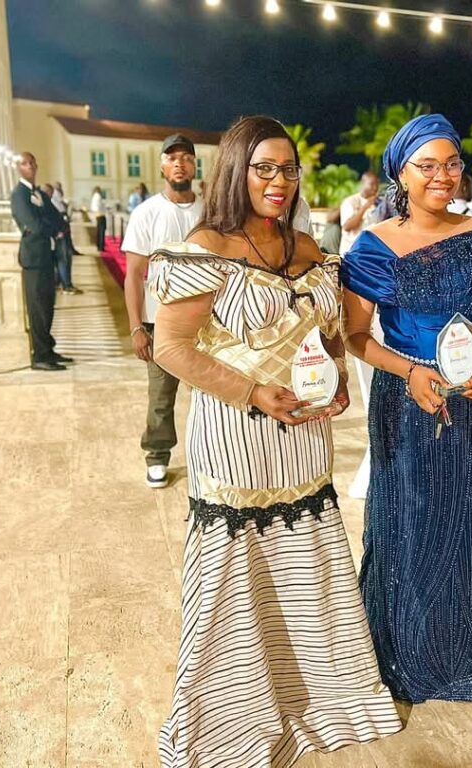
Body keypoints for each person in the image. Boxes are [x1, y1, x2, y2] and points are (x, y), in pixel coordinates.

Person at [150, 115, 401, 767]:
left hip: (304, 441)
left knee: (305, 569)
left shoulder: (308, 247)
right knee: (235, 576)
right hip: (236, 436)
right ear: (237, 171)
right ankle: (231, 713)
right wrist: (253, 392)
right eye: (264, 168)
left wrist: (337, 381)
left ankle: (319, 694)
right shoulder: (203, 247)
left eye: (288, 169)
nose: (278, 181)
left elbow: (330, 333)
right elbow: (171, 347)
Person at [341, 113, 472, 702]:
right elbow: (354, 336)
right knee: (408, 522)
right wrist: (409, 372)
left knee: (464, 521)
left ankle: (464, 645)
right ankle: (406, 645)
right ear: (400, 174)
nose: (442, 176)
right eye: (427, 165)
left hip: (470, 402)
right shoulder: (372, 246)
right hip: (405, 404)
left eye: (451, 163)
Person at [121, 134, 203, 489]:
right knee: (160, 396)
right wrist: (136, 327)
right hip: (161, 322)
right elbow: (134, 274)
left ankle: (208, 455)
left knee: (209, 393)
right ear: (162, 166)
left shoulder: (209, 212)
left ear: (195, 165)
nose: (179, 163)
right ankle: (156, 455)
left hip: (206, 322)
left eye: (186, 157)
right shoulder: (147, 212)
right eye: (172, 158)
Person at [9, 153, 74, 371]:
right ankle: (39, 356)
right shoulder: (19, 194)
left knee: (47, 306)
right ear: (18, 168)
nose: (30, 166)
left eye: (32, 163)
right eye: (25, 163)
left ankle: (48, 349)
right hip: (33, 259)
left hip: (47, 255)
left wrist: (54, 226)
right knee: (37, 308)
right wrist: (53, 229)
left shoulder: (40, 193)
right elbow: (34, 225)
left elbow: (58, 219)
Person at [42, 183, 82, 295]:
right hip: (57, 235)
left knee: (65, 259)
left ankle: (65, 284)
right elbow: (47, 220)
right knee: (63, 260)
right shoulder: (43, 204)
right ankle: (66, 285)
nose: (50, 194)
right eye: (49, 192)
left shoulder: (47, 203)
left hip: (61, 233)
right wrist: (56, 232)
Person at [339, 171, 381, 254]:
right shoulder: (350, 201)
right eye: (372, 184)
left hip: (372, 252)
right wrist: (366, 206)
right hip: (352, 252)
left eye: (377, 184)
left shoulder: (380, 203)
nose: (375, 188)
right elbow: (347, 227)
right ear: (363, 183)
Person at [90, 185, 106, 251]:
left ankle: (99, 245)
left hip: (97, 214)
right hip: (100, 214)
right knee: (101, 231)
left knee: (99, 231)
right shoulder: (98, 196)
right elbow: (99, 206)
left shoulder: (94, 196)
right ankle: (101, 246)